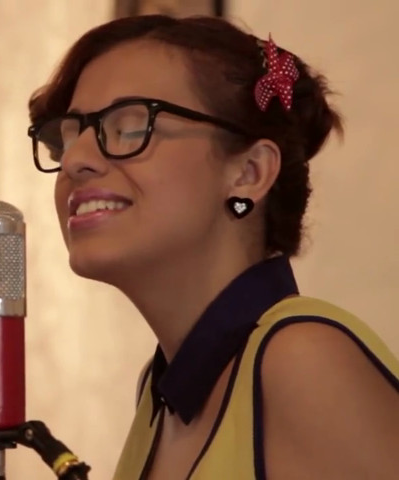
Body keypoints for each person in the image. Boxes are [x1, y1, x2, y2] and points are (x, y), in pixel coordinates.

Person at [25, 14, 399, 480]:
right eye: (68, 136)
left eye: (130, 127)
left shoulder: (300, 360)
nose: (75, 160)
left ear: (249, 173)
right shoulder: (161, 392)